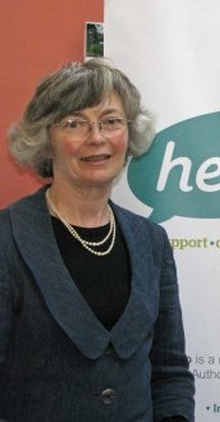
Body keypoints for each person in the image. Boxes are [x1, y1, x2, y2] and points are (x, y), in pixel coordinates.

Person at [0, 59, 195, 421]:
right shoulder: (7, 240)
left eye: (111, 121)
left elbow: (170, 373)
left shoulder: (151, 241)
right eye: (75, 123)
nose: (97, 137)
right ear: (45, 139)